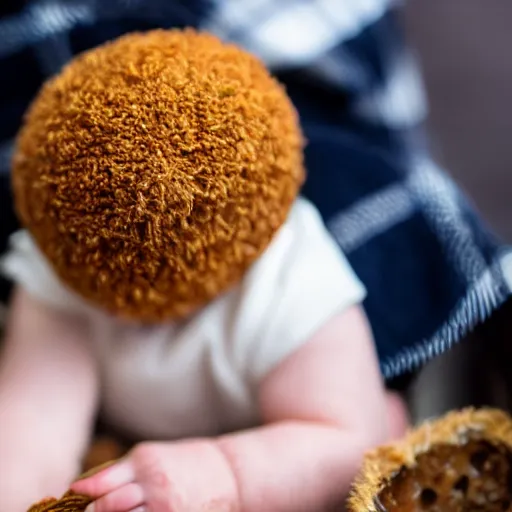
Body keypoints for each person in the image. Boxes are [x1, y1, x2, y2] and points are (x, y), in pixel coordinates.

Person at [0, 1, 509, 511]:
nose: (117, 285)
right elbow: (30, 430)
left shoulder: (294, 280)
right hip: (131, 442)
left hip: (283, 448)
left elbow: (347, 442)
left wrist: (225, 476)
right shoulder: (57, 269)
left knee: (379, 429)